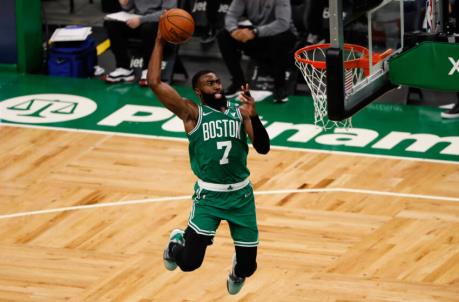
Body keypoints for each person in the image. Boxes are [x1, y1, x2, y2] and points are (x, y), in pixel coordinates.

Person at [147, 14, 270, 295]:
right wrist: (158, 40)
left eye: (217, 82)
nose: (216, 85)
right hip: (209, 197)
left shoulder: (240, 112)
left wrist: (255, 116)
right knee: (189, 263)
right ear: (197, 92)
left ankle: (238, 266)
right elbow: (154, 82)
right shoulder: (192, 113)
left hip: (241, 196)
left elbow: (263, 148)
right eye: (209, 83)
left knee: (249, 269)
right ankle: (175, 242)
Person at [217, 0, 297, 103]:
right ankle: (239, 82)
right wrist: (234, 31)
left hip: (282, 33)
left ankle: (280, 86)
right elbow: (231, 15)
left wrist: (255, 32)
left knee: (279, 39)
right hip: (257, 33)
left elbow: (282, 23)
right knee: (224, 36)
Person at [104, 0, 177, 86]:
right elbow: (128, 8)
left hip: (159, 23)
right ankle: (123, 67)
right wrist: (125, 3)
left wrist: (141, 20)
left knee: (148, 29)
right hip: (138, 20)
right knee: (112, 25)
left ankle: (149, 70)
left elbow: (167, 13)